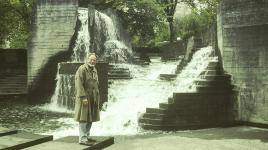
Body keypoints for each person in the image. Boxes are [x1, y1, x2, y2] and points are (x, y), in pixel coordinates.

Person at [74, 53, 100, 146]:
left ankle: (87, 136)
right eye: (91, 59)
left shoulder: (94, 70)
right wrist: (83, 97)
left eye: (94, 60)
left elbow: (96, 84)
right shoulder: (82, 69)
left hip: (93, 97)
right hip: (84, 97)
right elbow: (78, 84)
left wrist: (97, 97)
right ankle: (82, 139)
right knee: (83, 118)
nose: (92, 61)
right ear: (87, 59)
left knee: (90, 118)